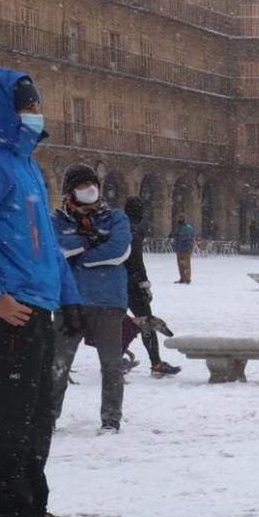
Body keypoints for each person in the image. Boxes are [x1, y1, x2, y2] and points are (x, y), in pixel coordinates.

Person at [0, 65, 88, 517]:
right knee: (8, 418)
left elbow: (48, 245)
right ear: (2, 109)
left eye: (37, 105)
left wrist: (70, 297)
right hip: (4, 311)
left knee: (35, 415)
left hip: (37, 304)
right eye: (28, 106)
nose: (37, 114)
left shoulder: (24, 164)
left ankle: (33, 507)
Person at [49, 164, 132, 435]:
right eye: (83, 185)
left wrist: (79, 256)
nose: (90, 189)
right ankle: (48, 416)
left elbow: (119, 250)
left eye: (93, 184)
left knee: (111, 363)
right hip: (69, 300)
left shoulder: (116, 217)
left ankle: (111, 419)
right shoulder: (57, 219)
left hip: (109, 299)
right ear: (71, 190)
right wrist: (90, 242)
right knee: (58, 363)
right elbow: (53, 248)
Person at [120, 197, 180, 378]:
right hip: (131, 282)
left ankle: (111, 361)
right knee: (147, 321)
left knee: (115, 323)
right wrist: (143, 284)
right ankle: (156, 363)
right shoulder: (134, 230)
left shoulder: (119, 227)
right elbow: (136, 260)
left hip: (113, 282)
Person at [172, 217, 195, 284]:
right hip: (179, 248)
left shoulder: (188, 227)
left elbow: (189, 236)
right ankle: (182, 278)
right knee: (180, 264)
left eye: (181, 220)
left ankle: (187, 279)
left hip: (186, 248)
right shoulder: (178, 227)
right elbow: (175, 235)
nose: (179, 221)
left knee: (186, 264)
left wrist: (180, 235)